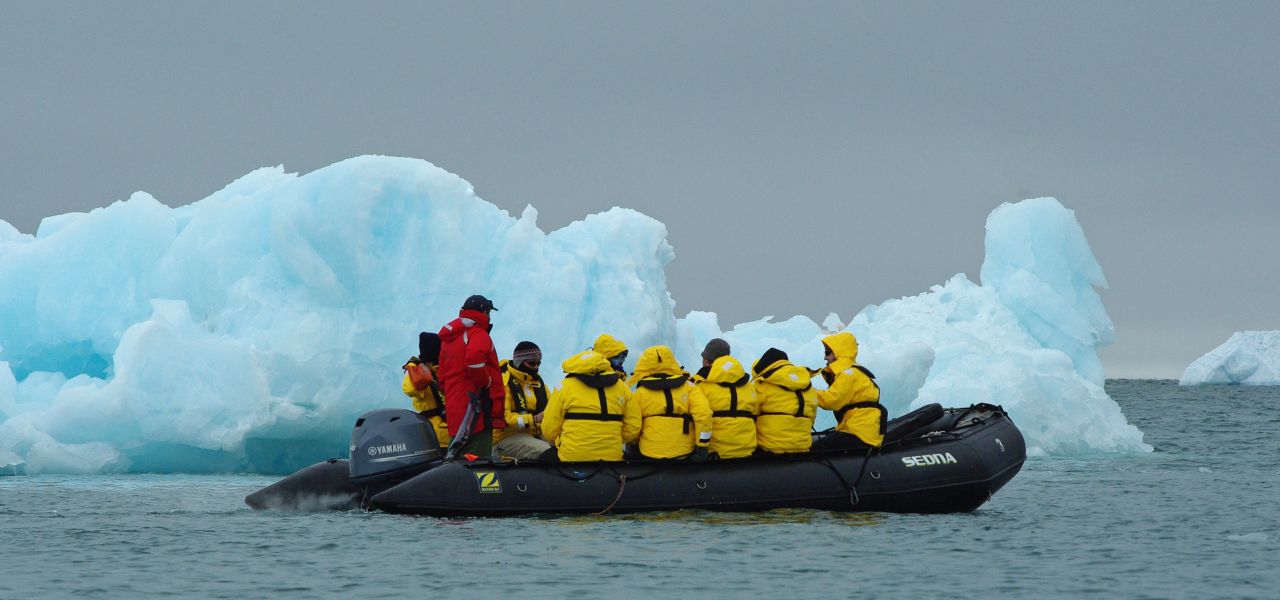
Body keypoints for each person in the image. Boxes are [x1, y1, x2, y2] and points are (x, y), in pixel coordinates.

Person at [437, 294, 506, 458]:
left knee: (457, 454)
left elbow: (442, 377)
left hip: (455, 407)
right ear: (483, 313)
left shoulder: (449, 339)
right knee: (478, 461)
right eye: (489, 313)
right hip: (476, 408)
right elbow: (474, 361)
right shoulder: (478, 334)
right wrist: (485, 381)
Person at [621, 345, 713, 460]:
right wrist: (702, 445)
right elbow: (704, 415)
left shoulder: (639, 393)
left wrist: (633, 443)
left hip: (649, 452)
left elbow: (633, 425)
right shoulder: (690, 388)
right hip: (684, 453)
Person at [540, 350, 632, 462]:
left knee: (542, 460)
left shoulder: (564, 386)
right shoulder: (622, 387)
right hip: (612, 457)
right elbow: (633, 427)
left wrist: (561, 440)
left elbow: (548, 429)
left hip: (571, 456)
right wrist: (610, 439)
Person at [813, 331, 884, 450]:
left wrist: (807, 392)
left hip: (858, 432)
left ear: (838, 352)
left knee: (814, 450)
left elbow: (831, 400)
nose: (825, 357)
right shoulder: (855, 372)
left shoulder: (848, 374)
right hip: (863, 431)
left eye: (827, 352)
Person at [692, 339, 759, 459]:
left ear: (707, 361)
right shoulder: (748, 386)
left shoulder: (700, 385)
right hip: (747, 450)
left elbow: (701, 418)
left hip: (715, 453)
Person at [493, 341, 554, 460]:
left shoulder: (538, 382)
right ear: (519, 361)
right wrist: (535, 419)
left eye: (538, 363)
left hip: (534, 434)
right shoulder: (503, 382)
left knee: (566, 448)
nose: (536, 367)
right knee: (550, 454)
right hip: (506, 437)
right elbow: (505, 418)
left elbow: (552, 406)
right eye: (532, 363)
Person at [752, 347, 818, 454]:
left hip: (769, 447)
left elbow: (751, 415)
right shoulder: (807, 386)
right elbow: (812, 415)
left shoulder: (762, 384)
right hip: (802, 447)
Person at [401, 331, 450, 447]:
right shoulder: (421, 376)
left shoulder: (446, 370)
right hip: (436, 437)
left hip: (452, 434)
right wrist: (413, 369)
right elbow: (410, 389)